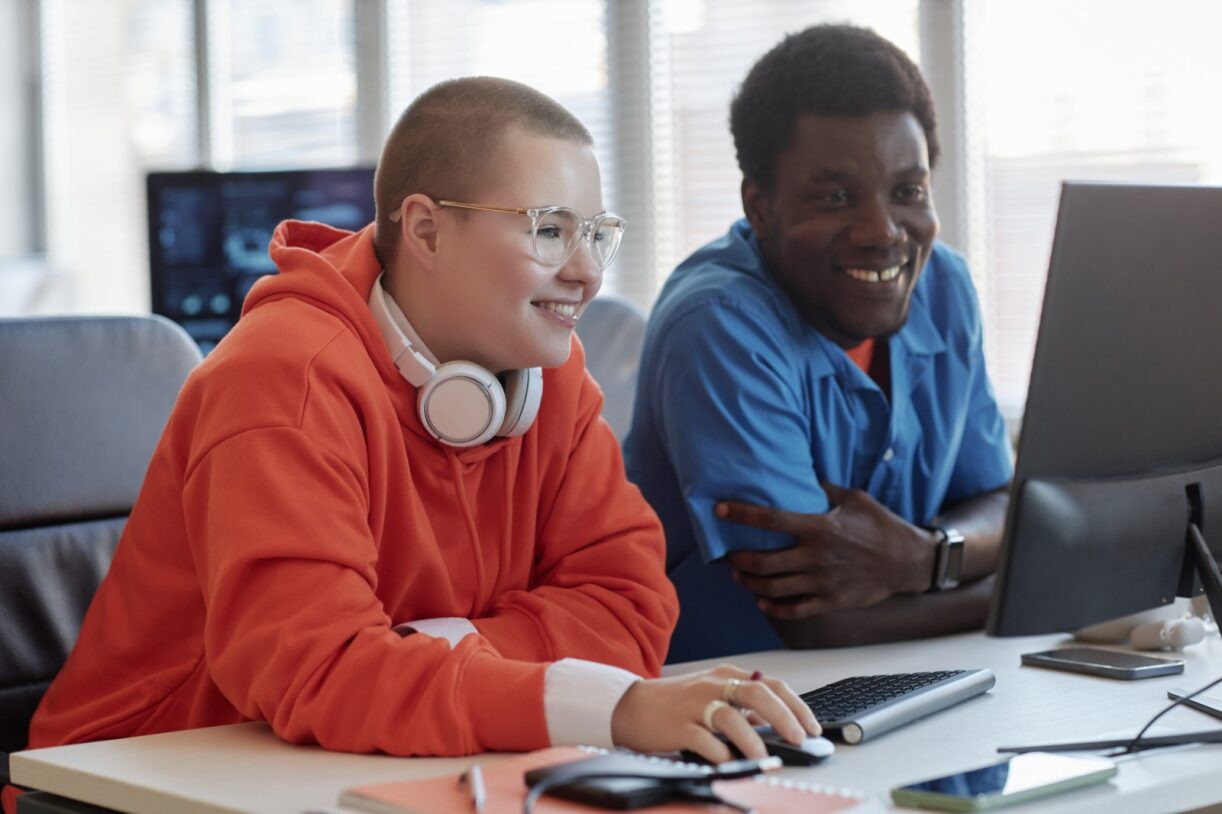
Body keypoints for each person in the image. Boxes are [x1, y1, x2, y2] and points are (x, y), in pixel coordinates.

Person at [7, 77, 819, 814]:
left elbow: (632, 607)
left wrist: (420, 656)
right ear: (425, 230)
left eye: (595, 235)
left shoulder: (547, 373)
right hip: (138, 783)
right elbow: (319, 672)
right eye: (547, 230)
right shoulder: (281, 379)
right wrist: (603, 705)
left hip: (366, 762)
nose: (586, 274)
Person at [623, 25, 1013, 663]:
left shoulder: (944, 286)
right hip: (737, 708)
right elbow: (811, 622)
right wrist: (1010, 588)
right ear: (762, 206)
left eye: (907, 192)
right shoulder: (718, 325)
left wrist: (921, 559)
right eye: (834, 197)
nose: (882, 231)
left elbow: (999, 498)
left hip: (916, 679)